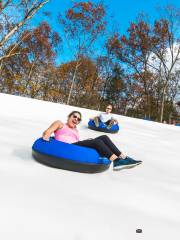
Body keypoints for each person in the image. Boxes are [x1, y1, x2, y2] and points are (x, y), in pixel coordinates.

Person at [42, 111, 142, 170]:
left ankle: (123, 157)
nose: (76, 119)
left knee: (104, 137)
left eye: (78, 119)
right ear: (69, 117)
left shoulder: (75, 130)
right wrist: (46, 135)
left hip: (75, 147)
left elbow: (79, 145)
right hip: (67, 147)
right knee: (97, 142)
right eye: (74, 116)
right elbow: (48, 131)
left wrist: (88, 142)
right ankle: (116, 161)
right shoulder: (60, 124)